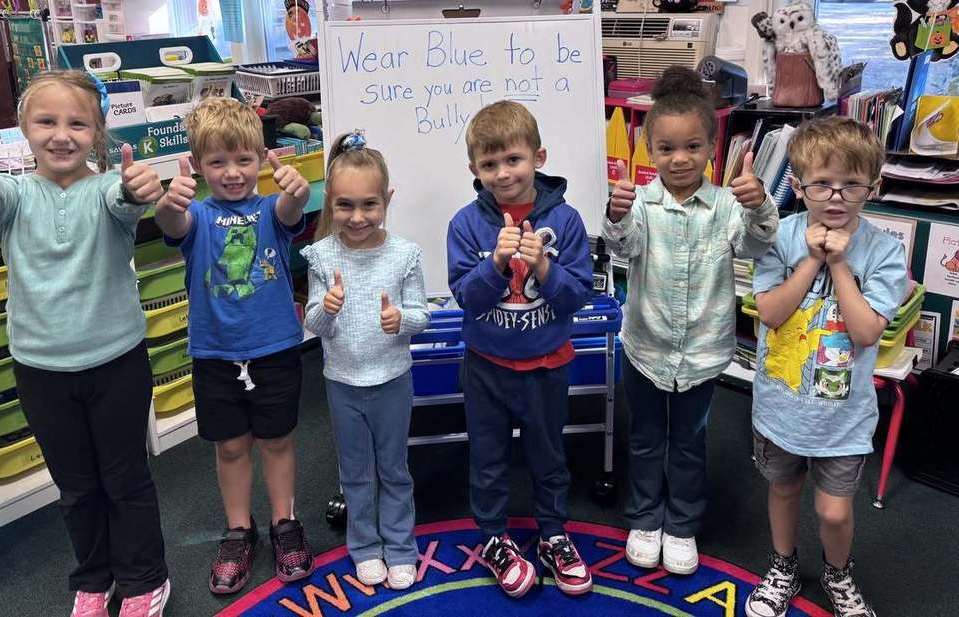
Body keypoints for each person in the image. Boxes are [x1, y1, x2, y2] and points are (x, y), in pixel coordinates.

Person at [0, 70, 170, 617]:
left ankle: (144, 578)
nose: (62, 135)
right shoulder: (14, 198)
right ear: (24, 129)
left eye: (78, 124)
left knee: (126, 479)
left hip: (117, 363)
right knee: (76, 486)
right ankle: (94, 578)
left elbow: (125, 200)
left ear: (98, 134)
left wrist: (138, 188)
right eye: (46, 121)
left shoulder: (106, 190)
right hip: (40, 371)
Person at [601, 65, 778, 575]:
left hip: (700, 352)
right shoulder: (641, 203)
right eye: (666, 149)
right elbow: (622, 248)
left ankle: (681, 524)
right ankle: (645, 518)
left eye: (692, 147)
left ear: (711, 148)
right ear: (650, 150)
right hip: (645, 346)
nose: (679, 159)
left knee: (688, 441)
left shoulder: (725, 206)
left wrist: (760, 206)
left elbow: (755, 246)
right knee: (645, 438)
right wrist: (615, 216)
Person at [745, 117, 907, 617]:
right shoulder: (780, 236)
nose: (835, 197)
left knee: (834, 511)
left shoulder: (884, 251)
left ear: (873, 186)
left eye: (851, 185)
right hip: (781, 406)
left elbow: (865, 332)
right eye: (821, 184)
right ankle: (784, 565)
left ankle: (838, 573)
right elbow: (770, 312)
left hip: (844, 417)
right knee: (783, 489)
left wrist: (839, 263)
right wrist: (813, 260)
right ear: (798, 186)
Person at [153, 97, 314, 594]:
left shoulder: (269, 210)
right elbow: (171, 226)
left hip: (274, 349)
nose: (231, 172)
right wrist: (169, 202)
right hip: (215, 354)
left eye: (244, 159)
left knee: (277, 440)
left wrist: (297, 191)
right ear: (198, 165)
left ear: (261, 157)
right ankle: (239, 529)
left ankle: (284, 522)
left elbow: (289, 211)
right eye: (217, 162)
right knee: (229, 446)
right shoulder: (196, 215)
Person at [447, 100, 595, 598]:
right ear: (474, 169)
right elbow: (466, 297)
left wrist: (545, 268)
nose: (503, 173)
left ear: (539, 157)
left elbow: (578, 296)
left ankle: (553, 534)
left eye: (513, 159)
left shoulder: (566, 222)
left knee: (549, 456)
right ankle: (493, 537)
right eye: (489, 164)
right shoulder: (466, 224)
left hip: (546, 367)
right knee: (487, 460)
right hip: (486, 368)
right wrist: (494, 264)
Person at [300, 131, 429, 590]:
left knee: (394, 468)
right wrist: (327, 308)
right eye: (345, 205)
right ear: (330, 203)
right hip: (342, 383)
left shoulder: (404, 254)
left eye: (369, 205)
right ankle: (365, 547)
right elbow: (314, 321)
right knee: (354, 473)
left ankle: (400, 548)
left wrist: (401, 320)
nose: (357, 217)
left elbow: (422, 314)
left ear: (386, 200)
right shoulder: (321, 256)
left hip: (392, 380)